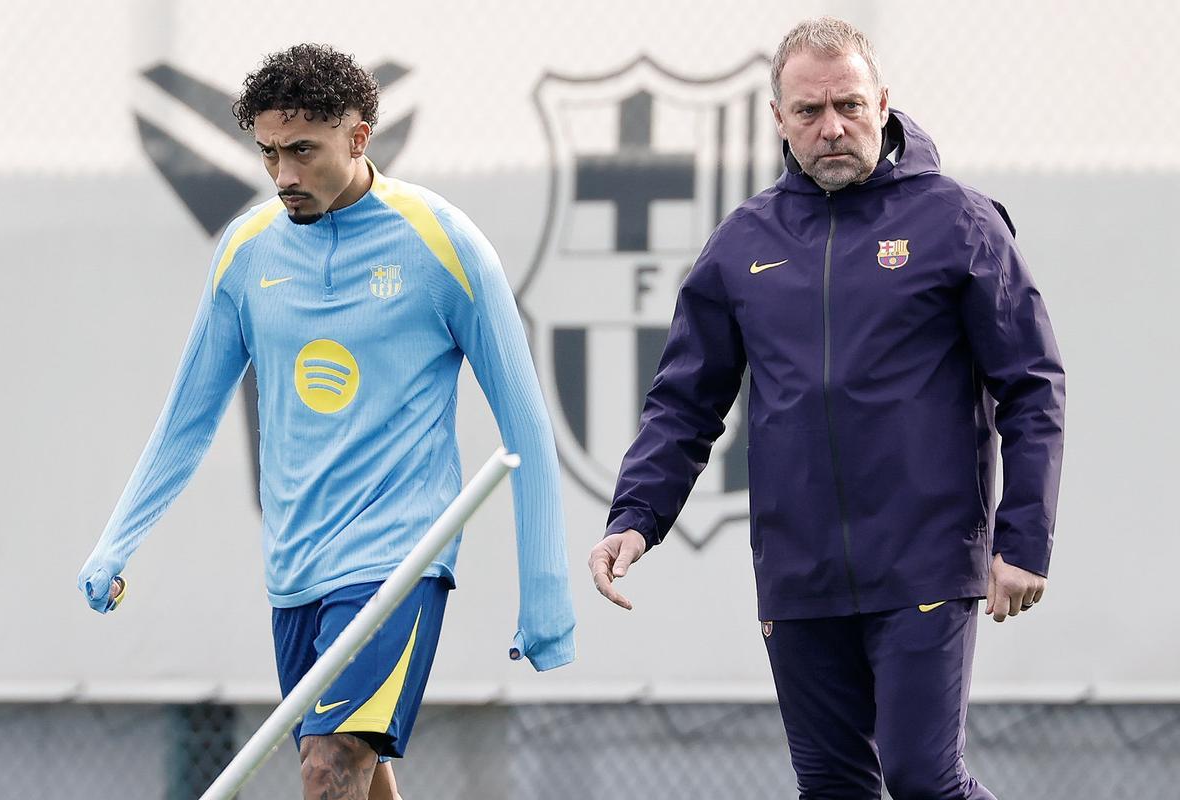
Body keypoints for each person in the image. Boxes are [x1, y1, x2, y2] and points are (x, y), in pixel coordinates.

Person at [78, 43, 575, 800]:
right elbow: (186, 419)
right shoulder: (246, 253)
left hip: (399, 558)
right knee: (352, 772)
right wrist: (117, 540)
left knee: (328, 767)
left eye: (302, 151)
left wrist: (546, 596)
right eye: (270, 153)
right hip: (295, 571)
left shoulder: (445, 243)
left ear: (359, 135)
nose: (283, 177)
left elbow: (527, 426)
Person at [588, 16, 1063, 800]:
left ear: (883, 102)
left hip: (926, 557)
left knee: (924, 780)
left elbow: (1032, 384)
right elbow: (684, 401)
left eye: (848, 104)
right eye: (808, 112)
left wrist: (1025, 537)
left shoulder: (959, 222)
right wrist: (634, 517)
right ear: (778, 120)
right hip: (799, 570)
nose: (831, 126)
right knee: (834, 787)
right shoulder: (741, 243)